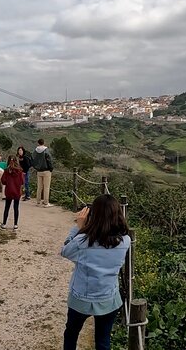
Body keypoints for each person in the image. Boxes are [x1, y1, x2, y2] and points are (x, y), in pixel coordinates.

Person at [61, 195, 130, 350]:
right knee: (103, 341)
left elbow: (65, 251)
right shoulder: (124, 241)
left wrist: (78, 228)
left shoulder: (82, 241)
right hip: (109, 298)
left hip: (81, 298)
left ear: (94, 216)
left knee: (71, 334)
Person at [0, 155, 24, 230]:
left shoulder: (6, 170)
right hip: (17, 191)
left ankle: (4, 224)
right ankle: (15, 225)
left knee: (7, 207)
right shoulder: (20, 171)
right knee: (16, 208)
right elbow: (22, 181)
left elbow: (3, 181)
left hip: (9, 191)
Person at [32, 138, 54, 207]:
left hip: (39, 171)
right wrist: (51, 169)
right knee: (46, 187)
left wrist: (36, 167)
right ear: (44, 143)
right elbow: (49, 160)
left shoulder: (35, 151)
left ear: (38, 143)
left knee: (39, 187)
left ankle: (38, 202)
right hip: (46, 170)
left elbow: (33, 160)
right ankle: (46, 202)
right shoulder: (46, 150)